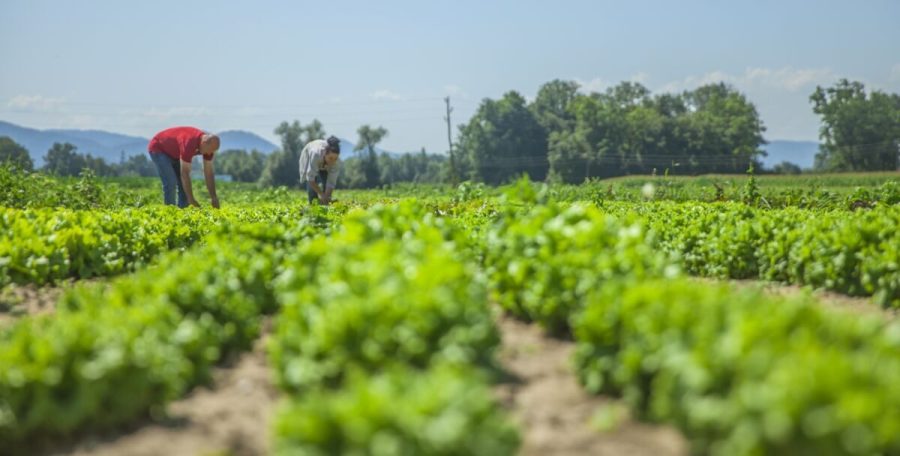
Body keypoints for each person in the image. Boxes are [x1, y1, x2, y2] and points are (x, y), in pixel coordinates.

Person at [148, 126, 220, 208]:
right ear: (204, 143)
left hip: (175, 154)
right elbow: (185, 173)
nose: (209, 153)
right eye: (209, 150)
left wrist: (213, 197)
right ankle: (169, 211)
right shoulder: (189, 143)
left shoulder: (209, 148)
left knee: (183, 185)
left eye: (212, 151)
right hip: (159, 148)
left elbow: (208, 172)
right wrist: (191, 199)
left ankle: (182, 212)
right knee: (171, 182)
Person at [299, 135, 342, 205]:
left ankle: (324, 205)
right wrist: (322, 194)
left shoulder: (336, 163)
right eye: (330, 158)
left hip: (323, 163)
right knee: (312, 190)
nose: (333, 161)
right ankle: (313, 205)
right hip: (309, 154)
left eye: (335, 159)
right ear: (325, 153)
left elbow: (331, 183)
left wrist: (326, 196)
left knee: (326, 184)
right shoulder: (315, 154)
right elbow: (311, 179)